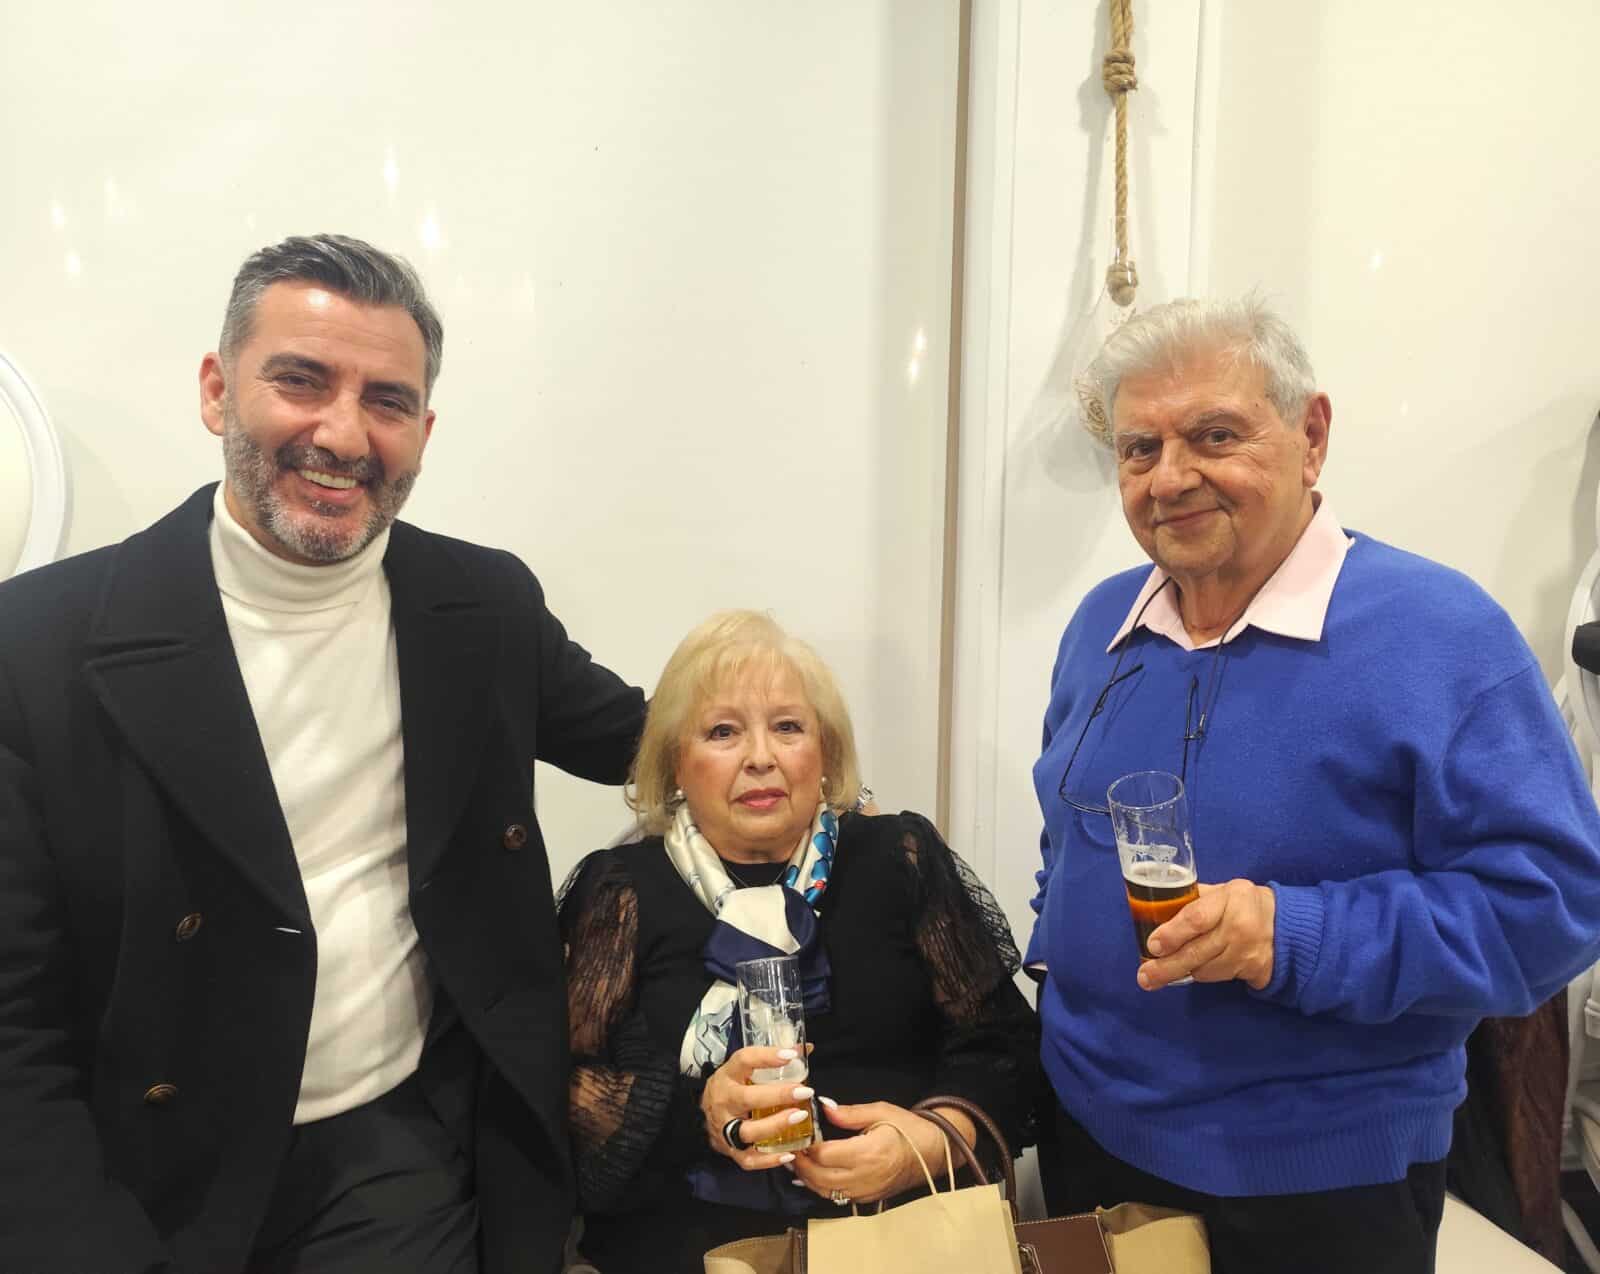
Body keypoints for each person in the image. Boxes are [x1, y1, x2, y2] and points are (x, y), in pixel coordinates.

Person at [0, 234, 645, 1274]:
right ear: (217, 390)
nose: (343, 434)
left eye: (387, 400)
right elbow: (11, 1021)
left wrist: (824, 776)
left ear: (423, 431)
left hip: (390, 1152)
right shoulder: (33, 647)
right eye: (301, 381)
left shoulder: (482, 607)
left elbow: (655, 744)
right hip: (138, 1165)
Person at [1028, 295, 1600, 1274]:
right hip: (1087, 1138)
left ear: (1311, 435)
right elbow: (1066, 843)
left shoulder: (1439, 634)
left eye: (1215, 434)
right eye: (1139, 448)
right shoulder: (1098, 625)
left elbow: (1554, 906)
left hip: (1315, 1189)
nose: (1171, 477)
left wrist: (1288, 936)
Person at [558, 610, 1039, 1274]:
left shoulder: (899, 859)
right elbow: (570, 1098)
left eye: (787, 727)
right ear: (675, 762)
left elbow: (1005, 1048)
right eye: (723, 732)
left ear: (827, 754)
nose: (761, 758)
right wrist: (703, 1114)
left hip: (900, 1243)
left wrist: (928, 1142)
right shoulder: (621, 891)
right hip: (685, 1251)